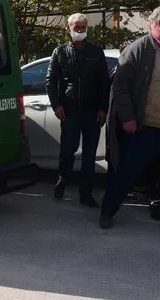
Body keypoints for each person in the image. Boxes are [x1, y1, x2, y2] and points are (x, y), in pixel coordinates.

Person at [99, 5, 160, 230]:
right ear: (159, 24)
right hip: (145, 126)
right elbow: (120, 86)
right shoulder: (137, 49)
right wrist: (128, 117)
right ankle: (107, 212)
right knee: (128, 172)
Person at [45, 13, 109, 208]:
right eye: (76, 27)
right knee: (68, 150)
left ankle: (86, 193)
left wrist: (102, 108)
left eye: (83, 27)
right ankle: (63, 179)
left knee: (89, 155)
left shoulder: (96, 52)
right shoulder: (60, 52)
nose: (80, 30)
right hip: (70, 111)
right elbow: (51, 81)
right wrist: (57, 105)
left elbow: (104, 83)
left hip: (92, 111)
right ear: (69, 28)